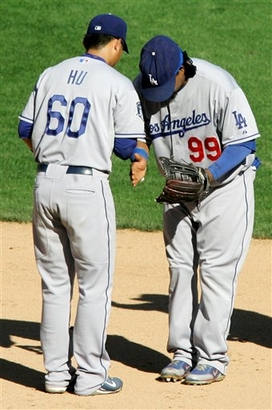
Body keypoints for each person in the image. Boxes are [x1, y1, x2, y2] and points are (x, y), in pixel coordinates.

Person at [18, 14, 148, 396]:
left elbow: (25, 129)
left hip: (45, 184)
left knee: (55, 285)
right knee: (95, 285)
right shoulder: (117, 83)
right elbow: (126, 146)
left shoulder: (51, 73)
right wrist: (140, 156)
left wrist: (52, 157)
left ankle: (55, 376)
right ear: (117, 45)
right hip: (86, 190)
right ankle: (91, 376)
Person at [133, 35, 261, 385]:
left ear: (182, 69)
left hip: (225, 190)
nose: (157, 95)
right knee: (179, 270)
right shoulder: (140, 87)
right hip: (176, 189)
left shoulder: (218, 85)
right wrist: (140, 154)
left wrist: (208, 174)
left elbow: (244, 141)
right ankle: (182, 352)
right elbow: (135, 131)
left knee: (217, 273)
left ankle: (212, 357)